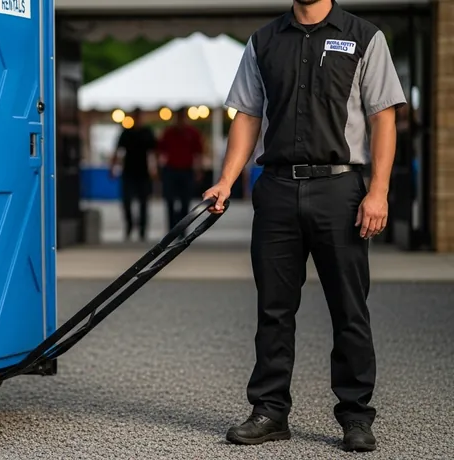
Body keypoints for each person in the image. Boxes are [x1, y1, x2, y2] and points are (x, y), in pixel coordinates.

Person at [203, 0, 405, 453]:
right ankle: (270, 411)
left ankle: (355, 416)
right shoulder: (263, 41)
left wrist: (379, 190)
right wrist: (226, 180)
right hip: (275, 190)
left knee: (349, 309)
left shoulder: (364, 37)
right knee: (273, 310)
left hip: (341, 192)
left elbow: (383, 117)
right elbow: (247, 116)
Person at [110, 109, 158, 241]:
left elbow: (153, 153)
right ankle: (130, 225)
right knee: (127, 201)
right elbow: (118, 151)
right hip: (129, 171)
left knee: (144, 202)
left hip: (143, 172)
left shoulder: (147, 133)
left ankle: (142, 228)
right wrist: (113, 167)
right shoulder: (126, 133)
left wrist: (154, 169)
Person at [157, 108, 205, 232]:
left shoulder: (192, 133)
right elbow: (160, 151)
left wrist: (198, 170)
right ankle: (171, 228)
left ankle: (182, 228)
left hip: (186, 170)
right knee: (170, 201)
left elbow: (198, 153)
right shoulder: (168, 132)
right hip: (171, 170)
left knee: (185, 201)